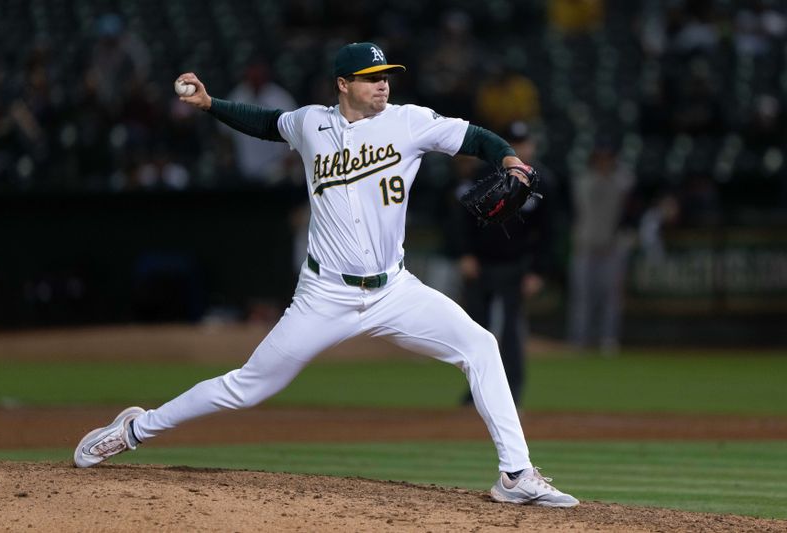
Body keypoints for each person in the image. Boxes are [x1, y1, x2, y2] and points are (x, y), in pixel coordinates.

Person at [74, 42, 578, 507]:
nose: (383, 84)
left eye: (386, 76)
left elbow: (475, 136)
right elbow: (266, 121)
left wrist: (509, 158)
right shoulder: (310, 124)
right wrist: (212, 105)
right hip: (324, 295)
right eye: (371, 76)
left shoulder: (410, 122)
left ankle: (515, 474)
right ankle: (136, 429)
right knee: (247, 387)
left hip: (395, 291)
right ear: (343, 83)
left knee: (481, 345)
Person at [454, 121, 555, 406]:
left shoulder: (543, 182)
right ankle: (476, 392)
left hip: (516, 266)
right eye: (514, 143)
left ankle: (512, 393)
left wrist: (538, 271)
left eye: (524, 142)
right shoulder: (484, 174)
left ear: (532, 145)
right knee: (476, 332)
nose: (521, 148)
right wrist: (466, 253)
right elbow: (463, 218)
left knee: (512, 333)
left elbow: (549, 232)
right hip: (482, 264)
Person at [567, 141, 635, 355]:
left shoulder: (621, 181)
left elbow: (629, 186)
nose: (604, 162)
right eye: (600, 158)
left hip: (611, 248)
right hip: (585, 247)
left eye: (608, 158)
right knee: (582, 299)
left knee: (611, 298)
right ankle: (579, 340)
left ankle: (608, 339)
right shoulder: (584, 181)